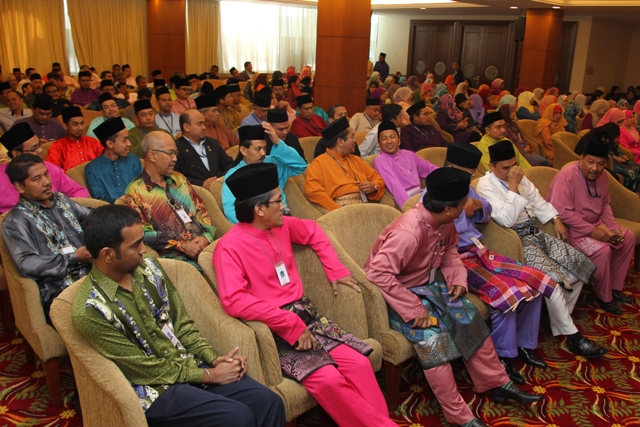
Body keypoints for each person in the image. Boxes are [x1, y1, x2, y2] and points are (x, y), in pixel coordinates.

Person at [214, 163, 395, 427]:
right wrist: (287, 322)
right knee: (329, 379)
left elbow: (314, 231)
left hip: (307, 317)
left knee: (359, 364)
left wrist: (335, 269)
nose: (284, 206)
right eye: (278, 201)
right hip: (274, 329)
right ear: (259, 209)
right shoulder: (229, 247)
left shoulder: (281, 225)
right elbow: (234, 300)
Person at [73, 204, 285, 427]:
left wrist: (214, 359)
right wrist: (211, 375)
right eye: (135, 245)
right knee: (238, 417)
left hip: (189, 365)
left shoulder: (150, 269)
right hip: (153, 390)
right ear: (107, 254)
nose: (144, 250)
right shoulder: (90, 308)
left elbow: (182, 325)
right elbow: (141, 369)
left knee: (269, 402)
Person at [365, 167, 542, 427]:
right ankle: (457, 414)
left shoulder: (443, 221)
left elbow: (449, 249)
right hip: (397, 295)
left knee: (469, 318)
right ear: (449, 209)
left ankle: (496, 383)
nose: (467, 205)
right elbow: (378, 274)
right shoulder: (408, 232)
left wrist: (457, 278)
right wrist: (414, 309)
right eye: (463, 203)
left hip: (430, 284)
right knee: (434, 342)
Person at [476, 141, 607, 358]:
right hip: (515, 240)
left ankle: (557, 318)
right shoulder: (485, 185)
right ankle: (574, 336)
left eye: (514, 165)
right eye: (505, 168)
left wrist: (556, 219)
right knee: (551, 279)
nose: (512, 171)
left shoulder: (521, 177)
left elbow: (538, 201)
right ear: (492, 166)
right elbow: (506, 220)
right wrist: (513, 186)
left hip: (536, 232)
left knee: (578, 266)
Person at [440, 143, 557, 384]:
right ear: (450, 169)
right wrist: (462, 213)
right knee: (506, 292)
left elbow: (487, 210)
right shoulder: (435, 192)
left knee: (533, 281)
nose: (469, 180)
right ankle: (503, 354)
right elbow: (441, 235)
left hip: (480, 251)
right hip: (457, 258)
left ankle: (523, 344)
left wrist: (478, 205)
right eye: (466, 175)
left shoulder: (467, 187)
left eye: (471, 175)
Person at [548, 135, 635, 315]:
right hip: (572, 229)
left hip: (596, 224)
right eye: (590, 162)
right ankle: (604, 296)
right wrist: (592, 231)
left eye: (601, 164)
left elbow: (605, 204)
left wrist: (613, 227)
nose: (595, 168)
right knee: (603, 251)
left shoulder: (603, 177)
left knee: (627, 238)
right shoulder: (567, 176)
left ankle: (613, 287)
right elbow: (561, 211)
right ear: (581, 158)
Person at [2, 153, 92, 322]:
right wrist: (74, 257)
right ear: (19, 187)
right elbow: (27, 263)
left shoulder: (61, 200)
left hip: (93, 273)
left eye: (46, 174)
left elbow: (92, 219)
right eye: (37, 179)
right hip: (60, 289)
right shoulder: (15, 221)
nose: (46, 182)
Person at [123, 131, 215, 269]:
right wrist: (183, 246)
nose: (175, 158)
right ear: (152, 155)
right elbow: (142, 233)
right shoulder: (135, 191)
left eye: (175, 153)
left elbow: (201, 209)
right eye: (170, 153)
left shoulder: (180, 179)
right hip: (177, 261)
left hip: (206, 249)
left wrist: (206, 237)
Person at [221, 124, 306, 224]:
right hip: (257, 227)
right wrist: (260, 225)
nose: (263, 153)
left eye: (264, 148)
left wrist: (278, 142)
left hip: (284, 220)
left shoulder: (272, 164)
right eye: (258, 149)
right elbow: (231, 210)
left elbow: (300, 166)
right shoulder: (234, 176)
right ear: (243, 150)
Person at [0, 122, 89, 213]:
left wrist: (66, 210)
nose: (40, 150)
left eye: (39, 145)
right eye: (34, 149)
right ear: (16, 154)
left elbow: (78, 191)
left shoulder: (48, 167)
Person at [305, 117, 385, 211]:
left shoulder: (356, 160)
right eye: (352, 137)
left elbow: (378, 178)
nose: (355, 140)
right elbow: (313, 191)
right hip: (341, 209)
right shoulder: (318, 163)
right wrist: (337, 210)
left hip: (364, 206)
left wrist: (374, 186)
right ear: (340, 142)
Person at [373, 121, 437, 208]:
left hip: (422, 195)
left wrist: (448, 175)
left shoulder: (409, 154)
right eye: (384, 138)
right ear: (379, 144)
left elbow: (430, 168)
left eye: (392, 137)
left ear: (399, 140)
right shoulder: (380, 161)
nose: (389, 141)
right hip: (407, 200)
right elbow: (394, 186)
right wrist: (409, 207)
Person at [85, 118, 142, 203]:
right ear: (110, 144)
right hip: (110, 210)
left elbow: (144, 189)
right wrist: (123, 202)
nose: (129, 144)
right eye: (124, 140)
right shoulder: (92, 169)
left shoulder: (133, 161)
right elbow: (99, 198)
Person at [174, 109, 234, 189]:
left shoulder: (212, 143)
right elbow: (175, 176)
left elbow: (229, 164)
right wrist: (201, 184)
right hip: (194, 192)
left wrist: (220, 180)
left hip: (221, 187)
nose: (204, 127)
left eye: (203, 123)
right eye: (199, 124)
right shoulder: (176, 147)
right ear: (186, 127)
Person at [46, 106, 103, 171]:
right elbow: (53, 171)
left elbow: (105, 162)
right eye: (75, 124)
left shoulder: (93, 142)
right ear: (65, 126)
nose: (80, 128)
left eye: (82, 123)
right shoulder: (57, 147)